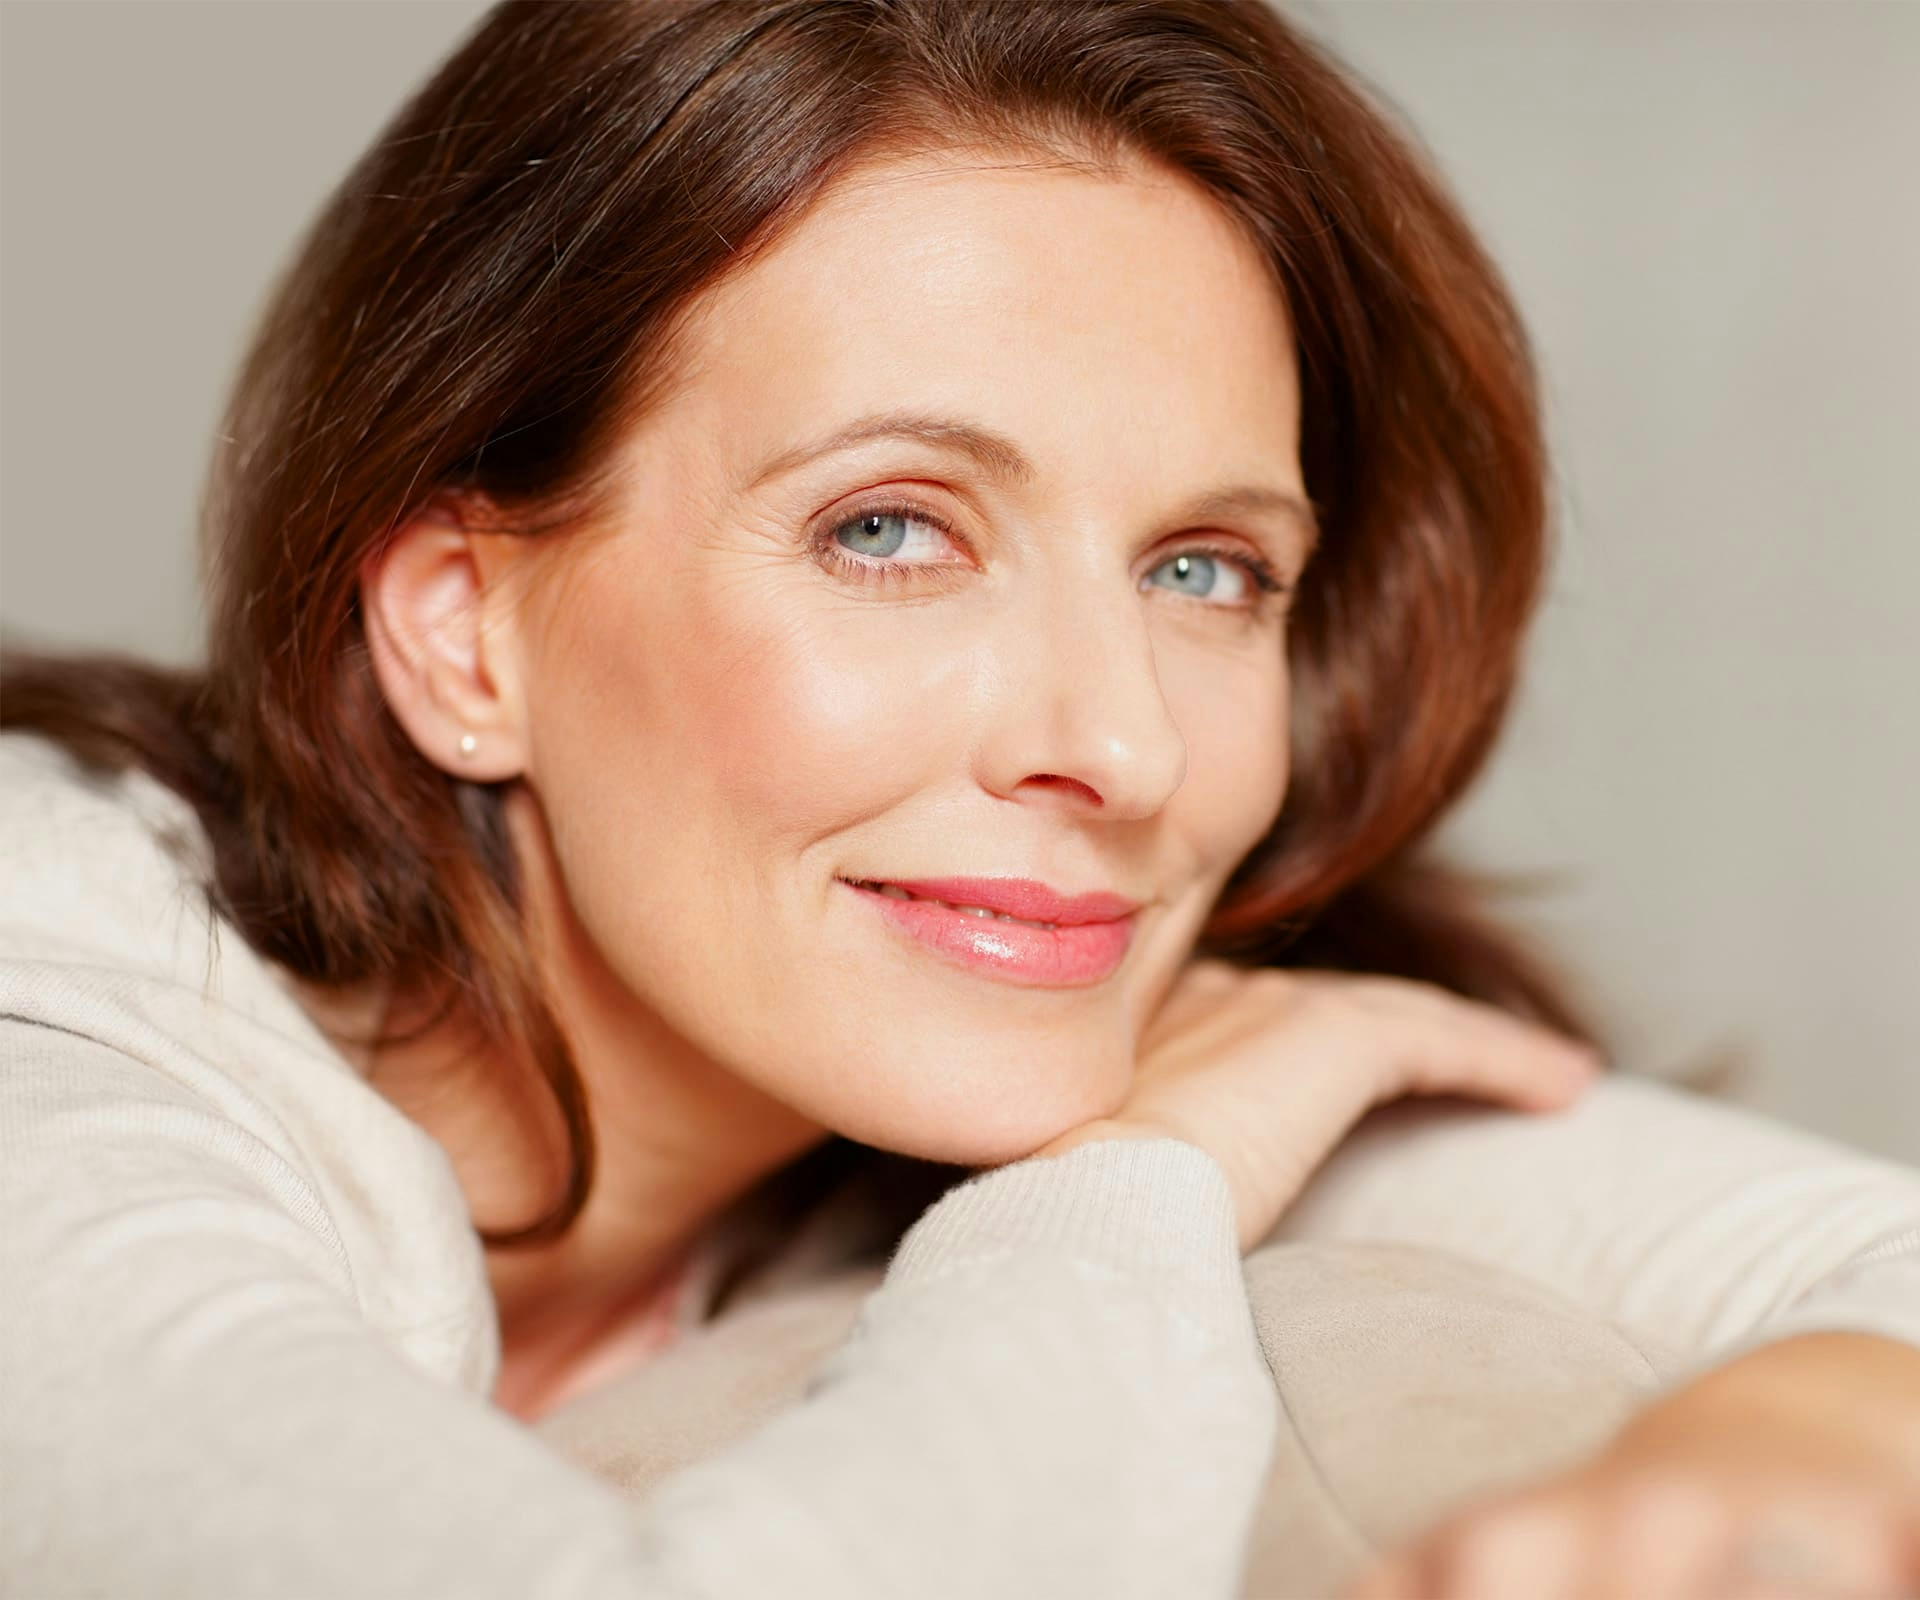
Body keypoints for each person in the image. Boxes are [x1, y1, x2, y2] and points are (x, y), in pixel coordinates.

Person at [2, 2, 1916, 1596]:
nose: (1127, 748)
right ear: (464, 636)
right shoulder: (51, 1023)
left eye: (1204, 570)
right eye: (893, 529)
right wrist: (1120, 1202)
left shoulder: (1030, 1012)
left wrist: (1810, 1418)